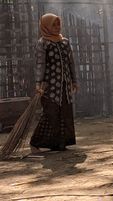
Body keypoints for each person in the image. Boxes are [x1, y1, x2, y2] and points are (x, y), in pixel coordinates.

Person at [30, 13, 78, 153]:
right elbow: (40, 64)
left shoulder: (65, 42)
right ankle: (35, 143)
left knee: (65, 112)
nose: (57, 27)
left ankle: (60, 144)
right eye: (53, 25)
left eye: (58, 24)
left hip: (64, 85)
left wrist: (74, 81)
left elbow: (71, 63)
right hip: (49, 87)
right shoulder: (43, 43)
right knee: (50, 113)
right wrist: (38, 84)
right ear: (46, 26)